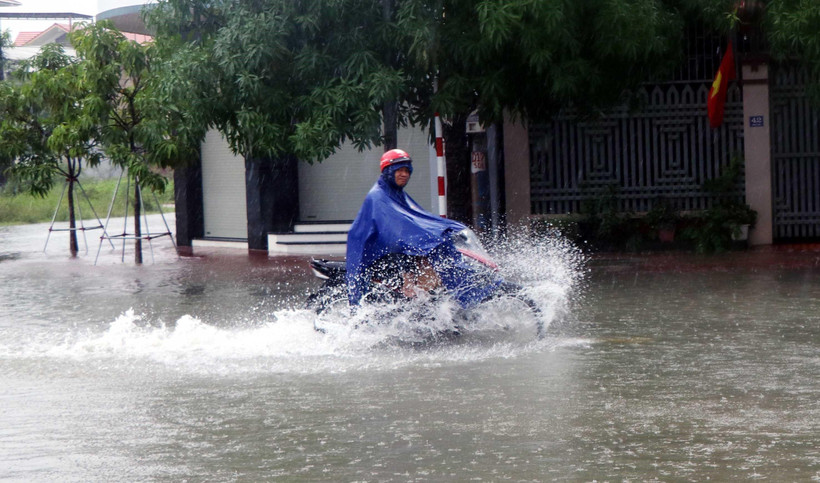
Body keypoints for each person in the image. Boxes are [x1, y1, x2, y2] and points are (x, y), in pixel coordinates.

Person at [345, 148, 501, 308]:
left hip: (396, 251)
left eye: (407, 170)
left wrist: (448, 228)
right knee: (430, 251)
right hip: (378, 255)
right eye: (399, 170)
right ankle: (415, 294)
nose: (404, 174)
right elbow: (398, 233)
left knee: (441, 254)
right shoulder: (379, 197)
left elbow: (421, 218)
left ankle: (439, 305)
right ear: (388, 171)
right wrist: (429, 237)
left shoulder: (396, 194)